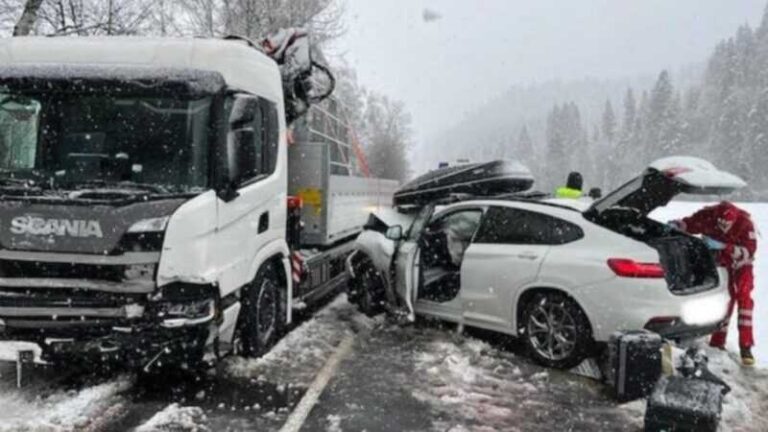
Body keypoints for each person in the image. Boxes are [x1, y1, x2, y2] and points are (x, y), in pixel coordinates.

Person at [670, 201, 757, 366]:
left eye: (727, 224)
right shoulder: (708, 215)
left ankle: (746, 346)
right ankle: (718, 342)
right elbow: (690, 224)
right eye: (720, 223)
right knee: (725, 301)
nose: (723, 226)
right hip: (720, 265)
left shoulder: (745, 223)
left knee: (744, 300)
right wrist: (678, 225)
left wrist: (726, 247)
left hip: (741, 266)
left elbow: (749, 251)